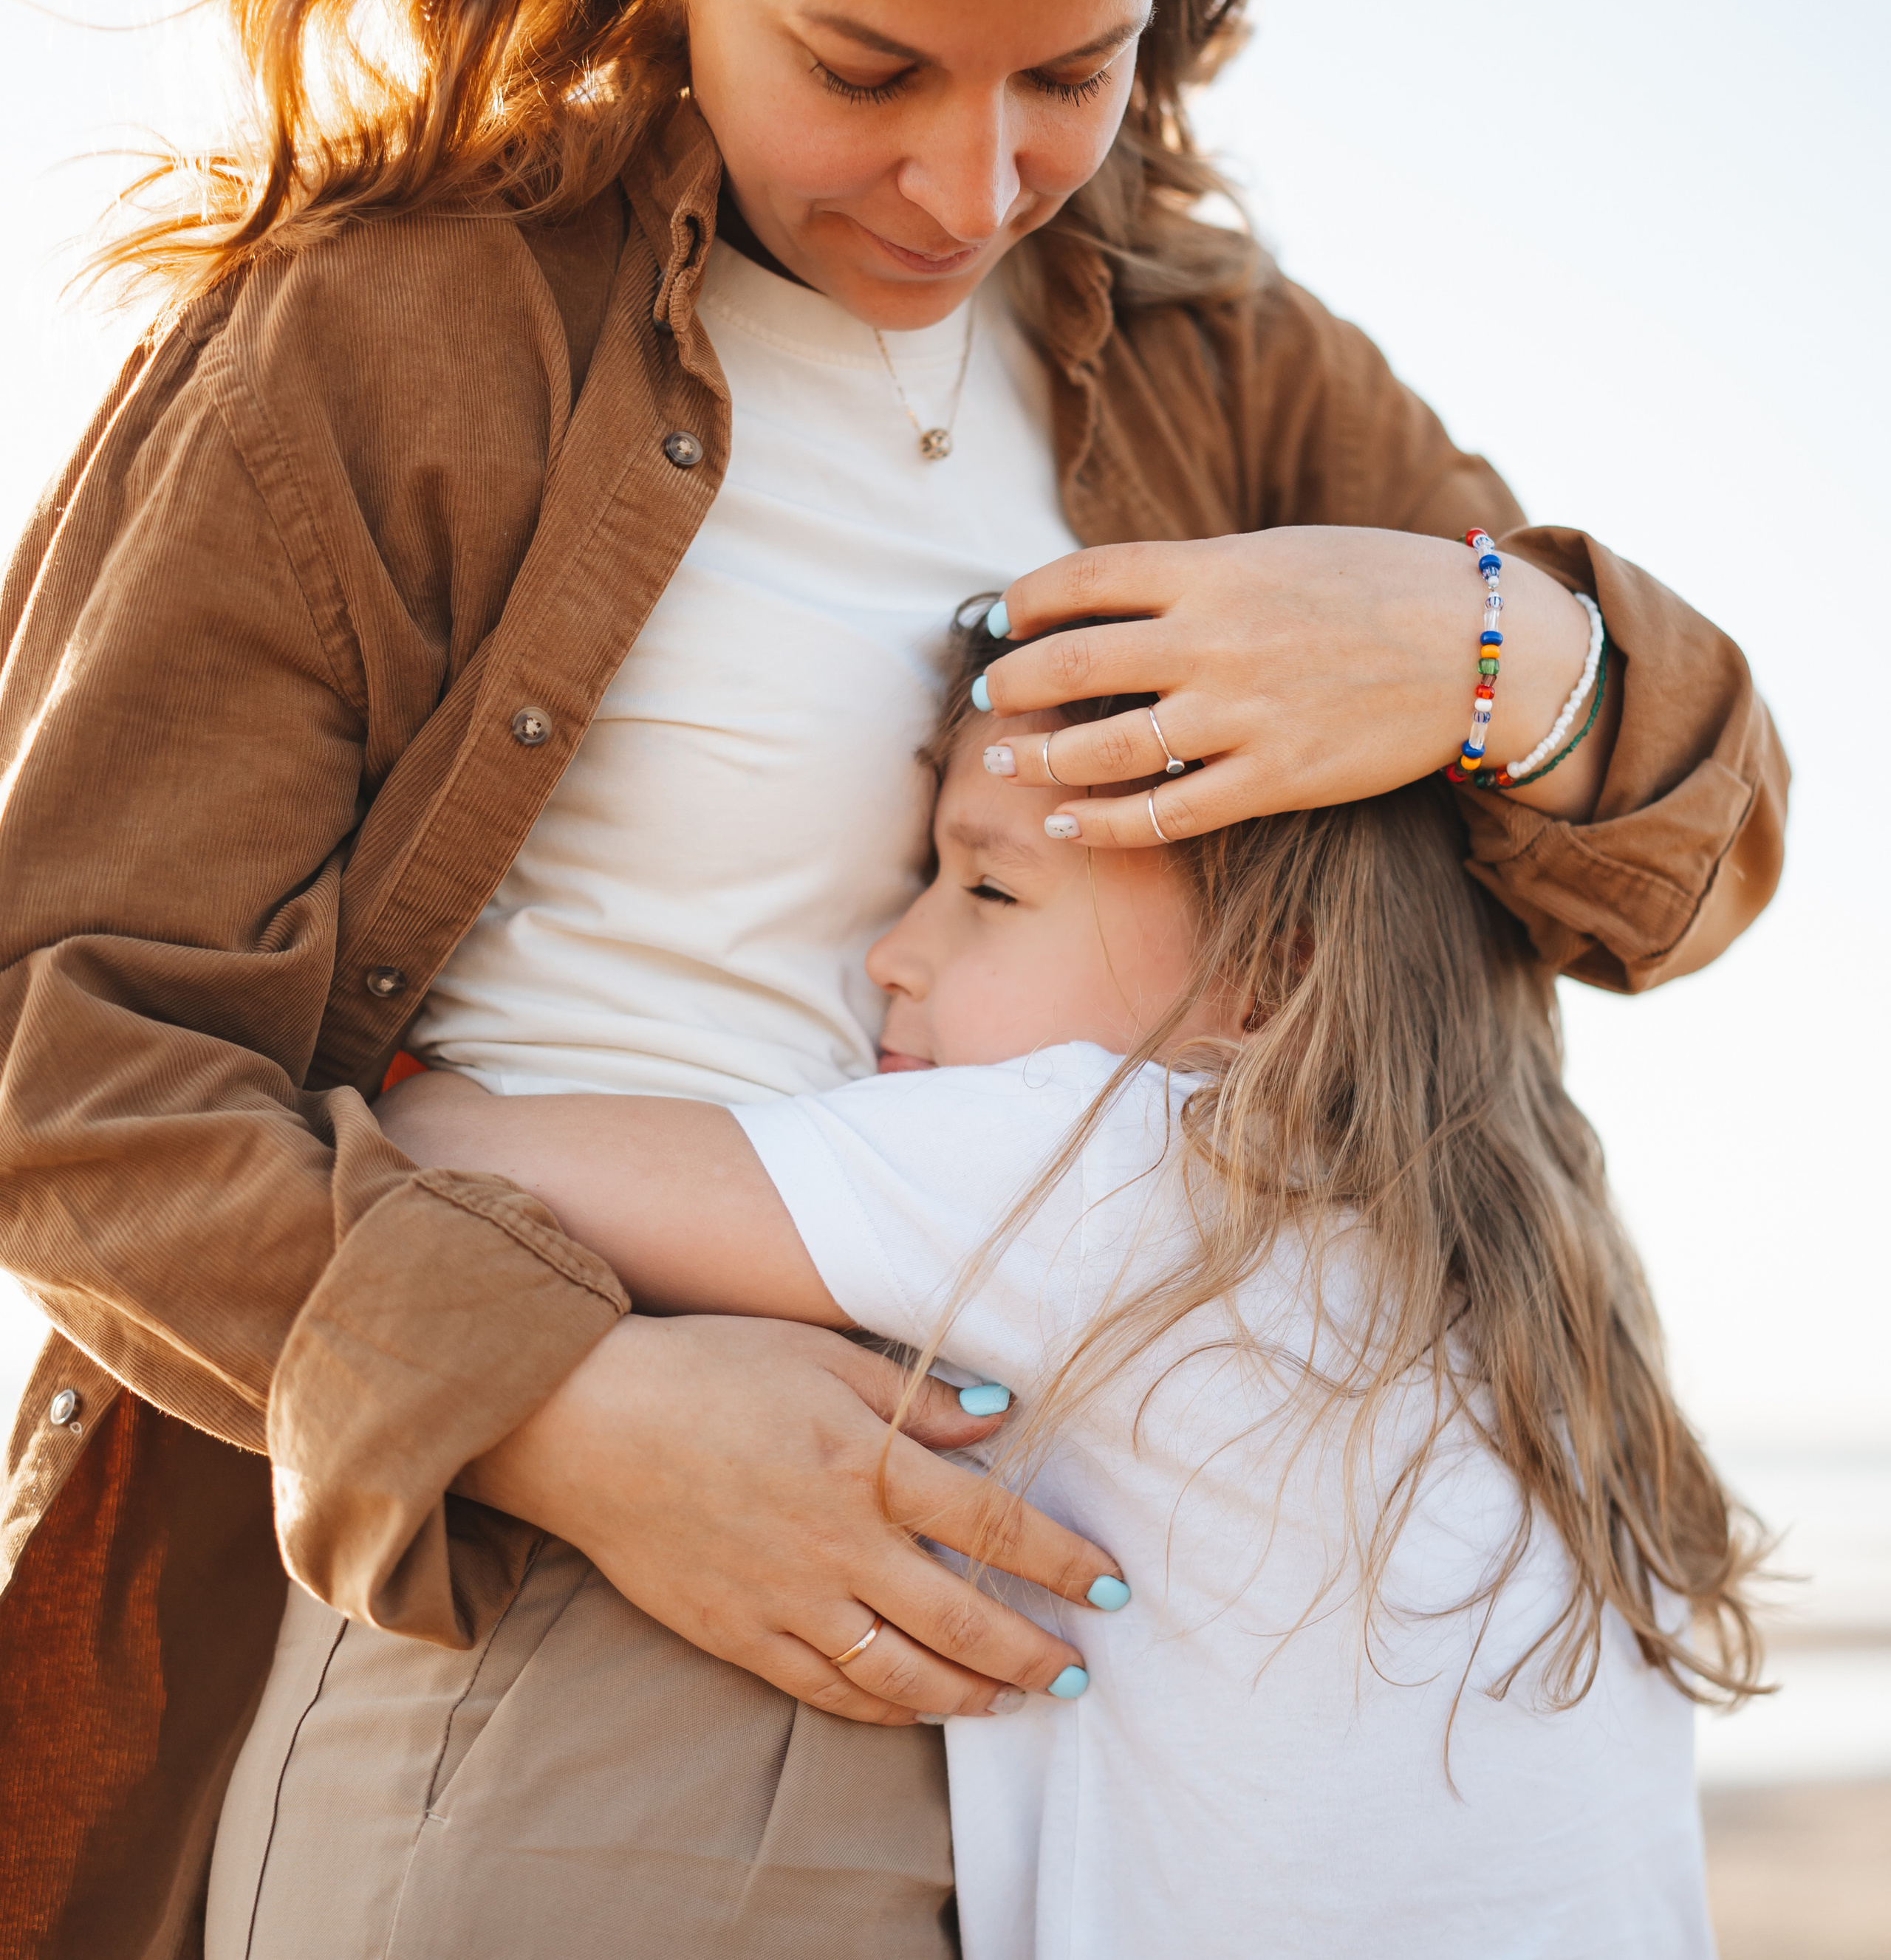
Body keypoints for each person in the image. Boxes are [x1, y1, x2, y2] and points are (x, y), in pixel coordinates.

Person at [0, 0, 1783, 1960]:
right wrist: (563, 1409)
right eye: (865, 70)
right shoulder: (376, 343)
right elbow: (62, 1061)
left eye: (1073, 73)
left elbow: (1694, 860)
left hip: (1155, 1694)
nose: (970, 182)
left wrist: (1500, 649)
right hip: (597, 1651)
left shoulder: (1229, 373)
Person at [360, 603, 1759, 1959]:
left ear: (1269, 979)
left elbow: (460, 1150)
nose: (890, 954)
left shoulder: (1121, 1163)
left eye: (988, 888)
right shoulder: (1539, 1285)